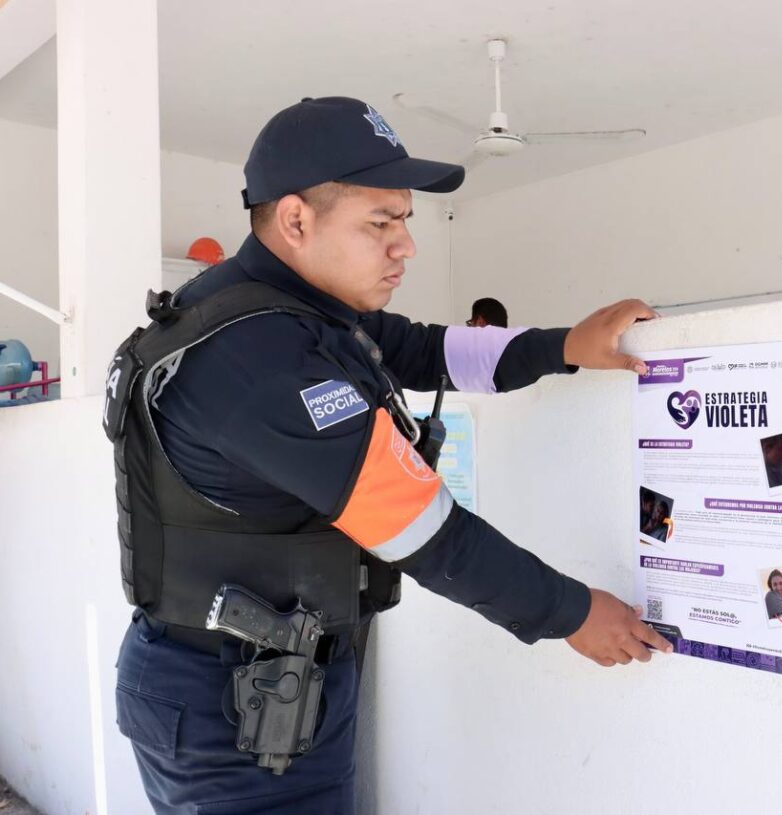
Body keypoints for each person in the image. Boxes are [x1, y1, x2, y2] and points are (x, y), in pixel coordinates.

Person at [105, 96, 672, 815]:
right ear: (296, 220)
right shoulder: (258, 358)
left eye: (405, 220)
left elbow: (428, 349)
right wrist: (572, 612)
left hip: (268, 683)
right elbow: (427, 532)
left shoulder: (296, 310)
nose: (406, 245)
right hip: (231, 711)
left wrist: (564, 346)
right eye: (380, 223)